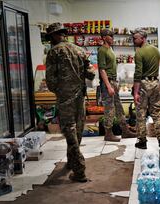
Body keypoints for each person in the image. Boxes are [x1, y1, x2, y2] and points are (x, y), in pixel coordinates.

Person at [45, 22, 95, 183]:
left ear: (54, 35)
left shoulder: (54, 52)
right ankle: (71, 161)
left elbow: (50, 80)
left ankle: (79, 171)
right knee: (77, 130)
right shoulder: (79, 50)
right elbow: (91, 74)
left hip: (65, 99)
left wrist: (60, 91)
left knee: (69, 132)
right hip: (80, 97)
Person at [132, 28, 160, 149]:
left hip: (144, 83)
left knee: (141, 113)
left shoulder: (139, 52)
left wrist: (136, 92)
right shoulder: (156, 50)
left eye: (136, 38)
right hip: (155, 83)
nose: (134, 40)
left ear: (143, 38)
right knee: (157, 112)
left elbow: (137, 74)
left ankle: (142, 141)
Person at [98, 28, 136, 142]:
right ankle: (108, 134)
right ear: (104, 38)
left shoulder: (110, 49)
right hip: (108, 83)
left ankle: (125, 131)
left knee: (118, 107)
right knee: (109, 109)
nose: (112, 38)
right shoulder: (102, 51)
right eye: (110, 36)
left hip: (114, 81)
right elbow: (102, 70)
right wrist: (109, 86)